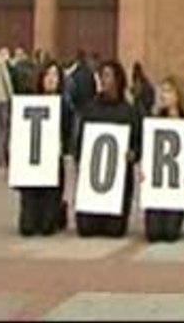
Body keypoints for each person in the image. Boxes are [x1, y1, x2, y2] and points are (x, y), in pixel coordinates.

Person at [74, 60, 142, 238]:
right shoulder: (90, 109)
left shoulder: (129, 112)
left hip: (118, 181)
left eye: (107, 75)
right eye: (102, 76)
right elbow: (81, 142)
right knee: (86, 230)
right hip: (93, 179)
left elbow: (139, 142)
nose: (103, 80)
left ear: (118, 80)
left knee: (114, 231)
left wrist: (133, 154)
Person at [17, 60, 71, 236]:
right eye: (48, 75)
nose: (51, 79)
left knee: (47, 228)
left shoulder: (64, 106)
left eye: (55, 75)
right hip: (31, 167)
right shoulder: (28, 103)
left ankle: (59, 210)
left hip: (53, 165)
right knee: (28, 228)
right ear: (41, 78)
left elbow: (68, 133)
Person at [143, 76, 184, 243]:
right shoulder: (155, 121)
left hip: (175, 186)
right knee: (153, 234)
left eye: (168, 91)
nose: (163, 95)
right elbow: (148, 151)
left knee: (170, 234)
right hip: (157, 185)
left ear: (178, 95)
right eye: (162, 91)